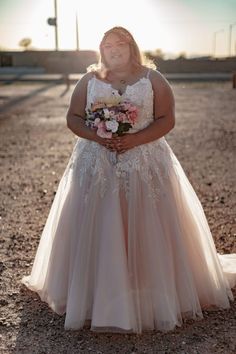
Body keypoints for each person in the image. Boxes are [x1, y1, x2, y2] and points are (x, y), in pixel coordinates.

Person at [22, 26, 236, 334]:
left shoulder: (153, 79)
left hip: (144, 160)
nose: (114, 49)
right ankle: (93, 293)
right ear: (102, 49)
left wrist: (135, 141)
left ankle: (153, 291)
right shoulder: (89, 79)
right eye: (108, 45)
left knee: (149, 225)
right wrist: (97, 135)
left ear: (131, 46)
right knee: (96, 223)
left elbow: (167, 119)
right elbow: (73, 118)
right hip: (96, 161)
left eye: (120, 44)